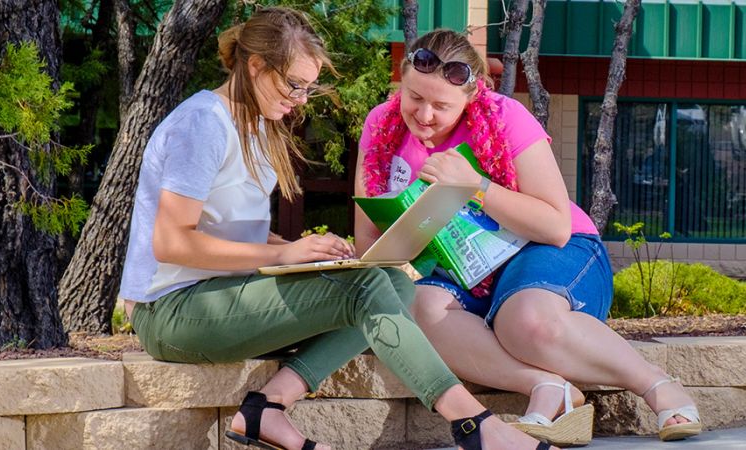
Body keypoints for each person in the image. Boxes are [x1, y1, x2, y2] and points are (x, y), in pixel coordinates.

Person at [118, 9, 549, 450]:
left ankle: (267, 407)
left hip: (220, 294)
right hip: (169, 313)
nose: (302, 99)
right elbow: (171, 242)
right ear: (255, 67)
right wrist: (280, 256)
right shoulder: (203, 124)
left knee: (393, 285)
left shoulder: (255, 126)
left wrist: (301, 249)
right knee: (366, 291)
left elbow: (227, 230)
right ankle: (474, 425)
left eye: (308, 87)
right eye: (295, 85)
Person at [355, 29, 703, 446]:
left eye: (441, 105)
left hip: (547, 249)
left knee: (525, 321)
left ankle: (659, 387)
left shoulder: (506, 117)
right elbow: (369, 243)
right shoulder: (381, 124)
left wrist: (476, 186)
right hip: (458, 266)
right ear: (402, 80)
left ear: (472, 97)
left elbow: (554, 225)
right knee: (417, 305)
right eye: (414, 97)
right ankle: (547, 386)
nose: (425, 115)